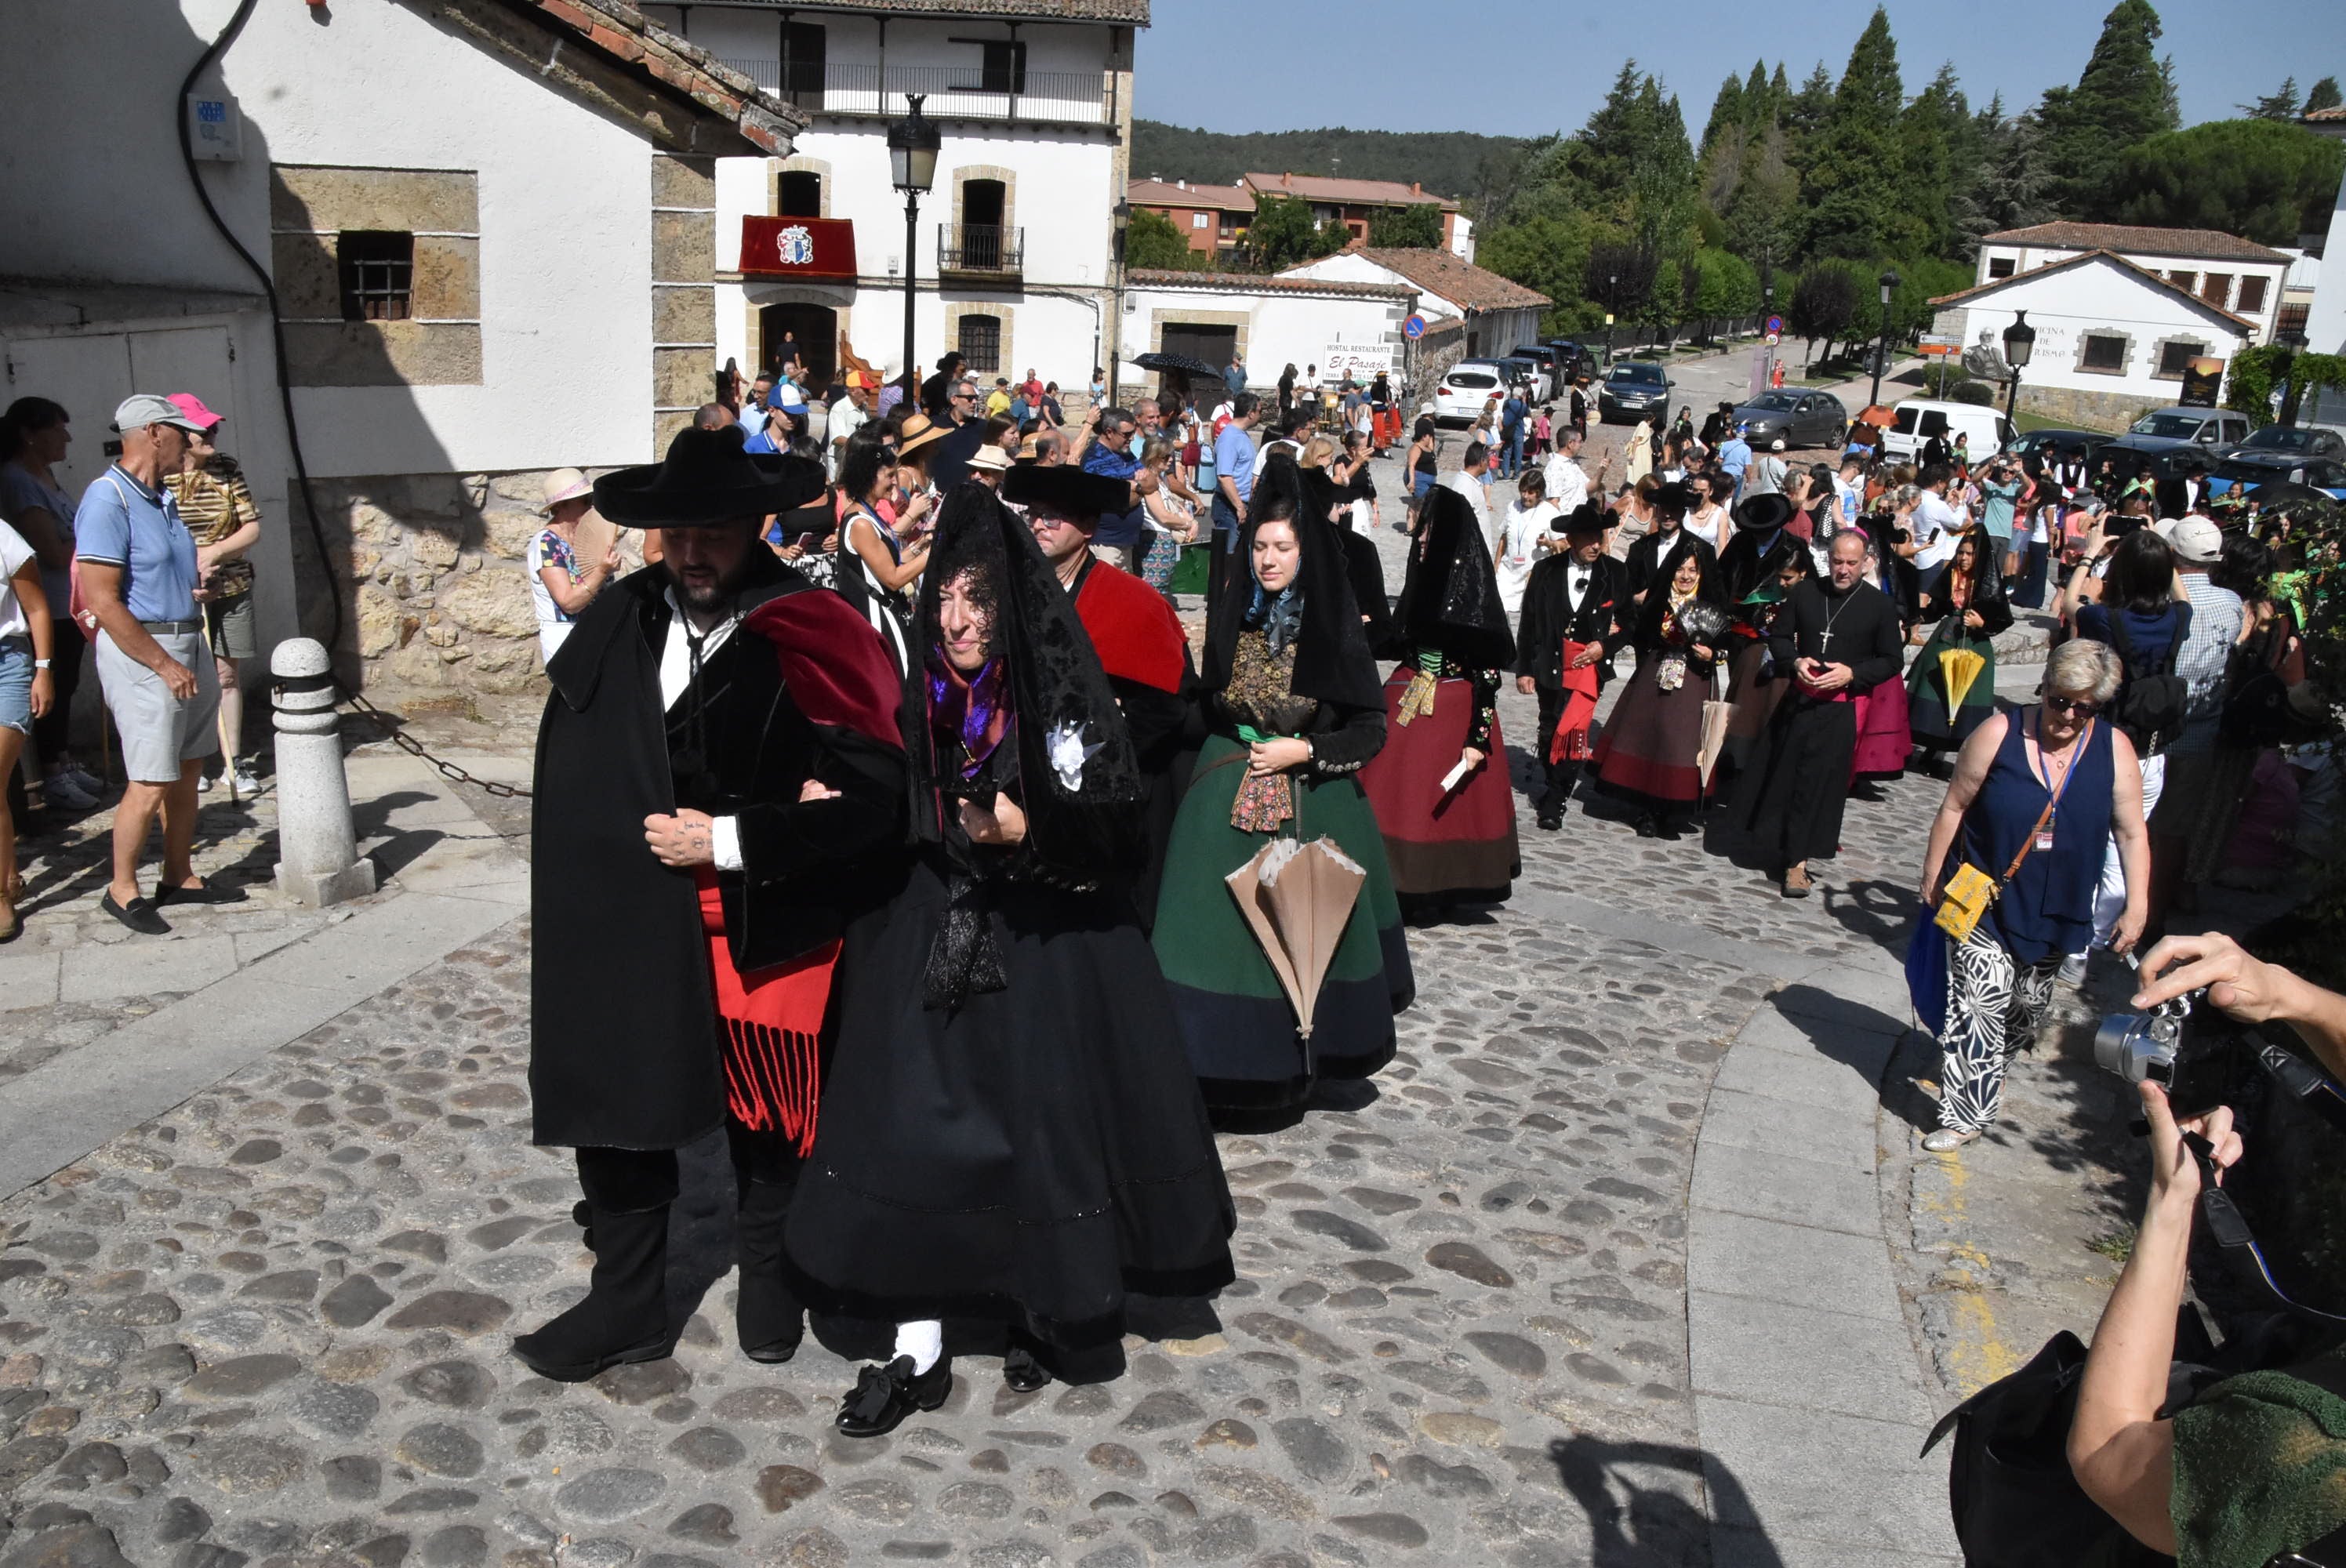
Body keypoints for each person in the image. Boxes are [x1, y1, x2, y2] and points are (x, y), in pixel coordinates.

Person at [784, 482, 1235, 1428]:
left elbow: (1118, 825)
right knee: (914, 1131)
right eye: (943, 597)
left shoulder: (1064, 696)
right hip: (926, 933)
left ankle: (1040, 1305)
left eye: (976, 600)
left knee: (1039, 1131)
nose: (954, 619)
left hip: (1044, 947)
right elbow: (881, 793)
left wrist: (1032, 831)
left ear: (1009, 605)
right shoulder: (915, 696)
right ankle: (918, 1344)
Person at [518, 426, 906, 1383]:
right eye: (677, 533)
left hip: (763, 919)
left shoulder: (815, 622)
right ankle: (628, 1299)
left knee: (765, 1111)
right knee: (617, 1104)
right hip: (630, 916)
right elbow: (579, 754)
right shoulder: (626, 616)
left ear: (755, 526)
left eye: (716, 531)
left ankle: (768, 1267)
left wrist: (729, 839)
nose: (694, 552)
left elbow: (879, 798)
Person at [1151, 488, 1411, 1110]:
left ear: (1305, 553)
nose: (1269, 559)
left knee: (1303, 924)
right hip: (1224, 798)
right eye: (1261, 547)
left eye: (1282, 548)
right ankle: (1217, 1064)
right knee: (1217, 940)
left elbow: (1369, 727)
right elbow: (1203, 701)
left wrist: (1306, 753)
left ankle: (1303, 1058)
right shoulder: (1233, 615)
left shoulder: (1330, 625)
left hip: (1310, 797)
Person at [1916, 641, 2143, 1153]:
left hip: (2058, 908)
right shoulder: (1999, 733)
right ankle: (1965, 1114)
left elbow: (2131, 833)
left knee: (2023, 1012)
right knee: (1979, 1002)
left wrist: (2139, 903)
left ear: (2097, 708)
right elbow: (1955, 804)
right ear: (2045, 686)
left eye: (2081, 707)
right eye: (2059, 700)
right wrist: (1932, 873)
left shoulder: (2114, 749)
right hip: (1980, 897)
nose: (2065, 715)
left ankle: (1984, 1070)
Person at [1002, 462, 1195, 924]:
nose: (1038, 525)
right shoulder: (1009, 590)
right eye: (1032, 515)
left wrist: (1101, 749)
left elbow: (1166, 706)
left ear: (1087, 528)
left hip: (1107, 792)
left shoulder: (1134, 602)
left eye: (1053, 517)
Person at [74, 396, 239, 936]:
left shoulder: (161, 496)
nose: (191, 442)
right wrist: (163, 663)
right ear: (152, 433)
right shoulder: (108, 499)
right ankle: (121, 888)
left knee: (190, 765)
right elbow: (102, 600)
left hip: (184, 638)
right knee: (149, 777)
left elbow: (152, 574)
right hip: (145, 652)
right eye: (182, 433)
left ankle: (178, 873)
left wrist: (194, 590)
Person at [1360, 485, 1521, 913]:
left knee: (1438, 804)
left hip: (1453, 709)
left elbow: (1487, 674)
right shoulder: (1421, 577)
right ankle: (1392, 878)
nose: (1423, 538)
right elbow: (1399, 639)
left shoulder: (1471, 593)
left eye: (1431, 531)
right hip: (1408, 695)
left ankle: (1438, 884)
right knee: (1395, 794)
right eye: (1422, 530)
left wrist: (1478, 737)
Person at [1735, 530, 1905, 898]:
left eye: (1851, 563)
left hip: (1838, 711)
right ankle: (1774, 843)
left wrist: (1853, 674)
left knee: (1818, 787)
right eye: (1838, 562)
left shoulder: (1879, 606)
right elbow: (1779, 638)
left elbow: (1893, 660)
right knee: (1782, 777)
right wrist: (1794, 660)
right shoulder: (1806, 593)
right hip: (1798, 703)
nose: (1843, 570)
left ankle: (1798, 864)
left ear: (1866, 563)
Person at [2072, 528, 2188, 960]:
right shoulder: (2178, 619)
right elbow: (2184, 598)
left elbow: (2070, 606)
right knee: (2128, 844)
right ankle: (2094, 937)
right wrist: (2163, 550)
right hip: (2152, 750)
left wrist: (2091, 554)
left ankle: (2073, 935)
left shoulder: (2105, 619)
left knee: (2086, 839)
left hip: (2107, 747)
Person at [1590, 535, 1729, 839]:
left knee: (1681, 742)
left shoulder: (1710, 605)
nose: (1686, 576)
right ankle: (1647, 806)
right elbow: (1640, 632)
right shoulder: (1660, 602)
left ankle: (1671, 807)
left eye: (1693, 570)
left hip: (1695, 678)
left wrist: (1712, 654)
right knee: (1651, 735)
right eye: (1680, 569)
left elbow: (1727, 643)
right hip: (1657, 669)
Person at [2143, 516, 2244, 923]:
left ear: (2171, 554)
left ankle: (2133, 908)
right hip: (2201, 731)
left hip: (2156, 731)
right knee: (2174, 829)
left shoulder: (2167, 605)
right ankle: (2156, 911)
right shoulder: (2232, 602)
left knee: (2139, 827)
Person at [0, 397, 99, 811]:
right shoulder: (19, 481)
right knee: (52, 691)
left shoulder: (47, 476)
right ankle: (51, 776)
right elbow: (53, 552)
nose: (68, 437)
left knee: (70, 685)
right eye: (58, 429)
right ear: (30, 435)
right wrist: (100, 541)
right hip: (51, 603)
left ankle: (63, 761)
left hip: (71, 601)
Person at [1515, 502, 1625, 830]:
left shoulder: (1615, 572)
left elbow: (1632, 624)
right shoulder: (1547, 570)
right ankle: (1553, 778)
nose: (1597, 545)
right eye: (1589, 538)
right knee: (1550, 726)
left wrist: (1604, 645)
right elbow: (1529, 623)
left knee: (1574, 730)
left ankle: (1556, 798)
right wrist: (1524, 669)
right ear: (1573, 538)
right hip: (1551, 660)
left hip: (1589, 666)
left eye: (1600, 537)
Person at [1714, 494, 1816, 782]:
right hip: (1738, 629)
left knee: (1770, 696)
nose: (1760, 534)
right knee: (1739, 690)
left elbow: (1808, 586)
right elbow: (1721, 578)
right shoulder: (1741, 543)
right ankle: (1733, 750)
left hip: (1775, 634)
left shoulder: (1792, 547)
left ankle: (1762, 752)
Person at [1905, 532, 2014, 775]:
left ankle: (1942, 751)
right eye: (1960, 553)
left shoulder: (1987, 583)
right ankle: (1927, 743)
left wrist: (1982, 624)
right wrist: (1920, 611)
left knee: (1961, 695)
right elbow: (1938, 607)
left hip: (1973, 645)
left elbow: (2003, 619)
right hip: (1946, 639)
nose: (1963, 558)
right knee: (1935, 690)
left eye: (1968, 554)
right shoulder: (1952, 576)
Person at [0, 514, 54, 941]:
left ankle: (0, 895)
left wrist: (43, 669)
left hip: (8, 662)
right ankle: (10, 873)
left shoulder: (3, 536)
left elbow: (36, 606)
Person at [525, 468, 622, 668]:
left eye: (591, 499)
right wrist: (602, 571)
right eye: (585, 500)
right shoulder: (547, 543)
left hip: (598, 632)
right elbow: (568, 603)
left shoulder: (586, 536)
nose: (591, 505)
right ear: (561, 506)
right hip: (567, 638)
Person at [1622, 481, 1712, 606]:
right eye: (1664, 509)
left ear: (1683, 513)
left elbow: (1712, 595)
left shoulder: (1702, 549)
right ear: (1657, 511)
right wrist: (1635, 598)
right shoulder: (1639, 548)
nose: (1668, 515)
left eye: (1673, 509)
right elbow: (1624, 590)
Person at [1210, 394, 1261, 605]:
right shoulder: (1230, 437)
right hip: (1230, 506)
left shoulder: (1241, 435)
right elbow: (1224, 475)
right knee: (1226, 557)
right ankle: (1218, 603)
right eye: (1259, 411)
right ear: (1250, 413)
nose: (1260, 415)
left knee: (1235, 556)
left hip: (1240, 504)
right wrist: (1239, 507)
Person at [1495, 470, 1560, 615]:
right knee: (1497, 612)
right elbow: (1504, 538)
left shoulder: (1550, 512)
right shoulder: (1513, 506)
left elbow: (1563, 544)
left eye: (1530, 493)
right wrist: (1496, 566)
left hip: (1532, 577)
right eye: (1523, 491)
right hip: (1507, 573)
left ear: (1539, 493)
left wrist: (1548, 543)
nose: (1525, 496)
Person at [1440, 441, 1495, 555]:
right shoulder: (1465, 486)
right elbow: (1458, 522)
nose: (1489, 464)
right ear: (1481, 461)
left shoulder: (1468, 482)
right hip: (1471, 555)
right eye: (1488, 460)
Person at [1542, 426, 1607, 518]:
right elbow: (1553, 503)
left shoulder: (1572, 465)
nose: (1581, 445)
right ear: (1570, 443)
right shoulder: (1555, 467)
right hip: (1565, 526)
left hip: (1577, 524)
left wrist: (1601, 471)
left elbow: (1589, 488)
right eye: (1580, 442)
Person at [1401, 416, 1440, 533]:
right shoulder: (1416, 448)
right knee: (1420, 504)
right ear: (1424, 435)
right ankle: (1418, 528)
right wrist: (1412, 481)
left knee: (1419, 502)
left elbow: (1432, 451)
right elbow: (1411, 465)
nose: (1430, 438)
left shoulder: (1427, 447)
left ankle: (1412, 527)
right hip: (1419, 478)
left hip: (1428, 479)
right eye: (1429, 435)